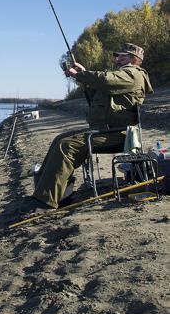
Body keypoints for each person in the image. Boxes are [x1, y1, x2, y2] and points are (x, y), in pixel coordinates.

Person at [29, 42, 153, 213]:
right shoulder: (122, 75)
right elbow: (100, 91)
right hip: (106, 130)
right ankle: (55, 194)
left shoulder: (133, 74)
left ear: (133, 58)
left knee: (67, 146)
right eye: (117, 55)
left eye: (121, 55)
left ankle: (44, 203)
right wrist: (82, 74)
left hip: (120, 134)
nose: (117, 58)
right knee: (60, 139)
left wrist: (83, 74)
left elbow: (105, 80)